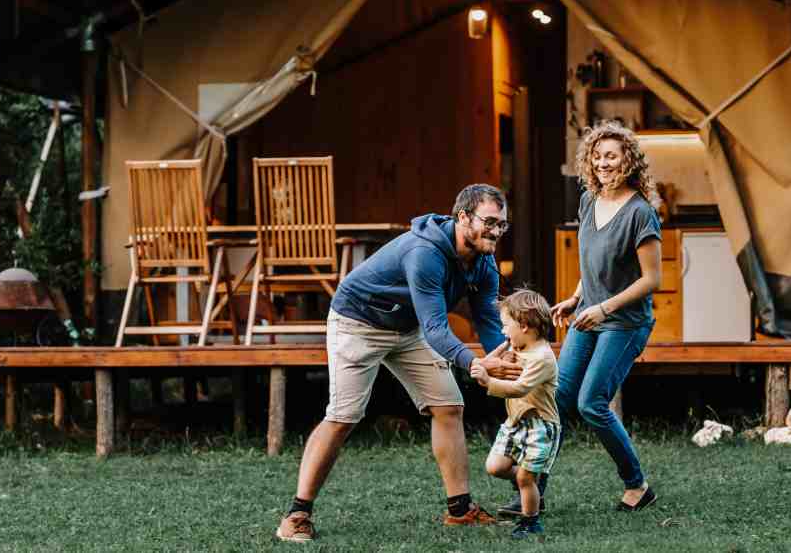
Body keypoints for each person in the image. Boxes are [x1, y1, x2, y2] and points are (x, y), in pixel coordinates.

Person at [276, 184, 523, 543]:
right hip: (358, 322)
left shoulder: (484, 260)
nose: (496, 232)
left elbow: (486, 316)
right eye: (489, 222)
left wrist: (508, 356)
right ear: (463, 217)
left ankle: (460, 510)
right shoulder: (425, 253)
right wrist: (475, 365)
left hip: (408, 327)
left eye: (502, 224)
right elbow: (437, 327)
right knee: (343, 417)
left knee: (449, 406)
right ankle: (297, 514)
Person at [549, 120, 662, 512]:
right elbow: (594, 263)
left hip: (624, 322)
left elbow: (652, 279)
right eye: (596, 156)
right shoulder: (587, 201)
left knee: (591, 403)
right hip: (588, 315)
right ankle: (531, 490)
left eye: (611, 156)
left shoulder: (640, 213)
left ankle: (637, 485)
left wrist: (603, 308)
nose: (602, 163)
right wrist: (576, 298)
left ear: (628, 160)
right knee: (558, 400)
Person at [471, 289, 560, 540]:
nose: (502, 331)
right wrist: (493, 361)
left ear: (523, 326)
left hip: (541, 425)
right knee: (495, 466)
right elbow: (489, 365)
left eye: (505, 326)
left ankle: (530, 521)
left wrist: (489, 381)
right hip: (516, 422)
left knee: (524, 478)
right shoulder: (516, 346)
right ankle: (529, 480)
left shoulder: (542, 358)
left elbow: (520, 388)